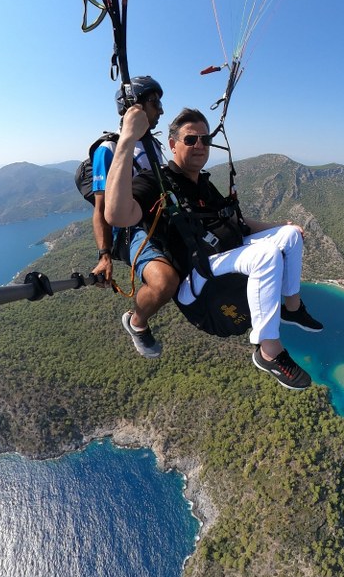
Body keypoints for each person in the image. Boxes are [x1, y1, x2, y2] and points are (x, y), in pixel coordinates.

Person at [103, 105, 323, 389]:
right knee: (266, 255)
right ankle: (269, 351)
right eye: (190, 139)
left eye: (205, 139)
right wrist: (127, 139)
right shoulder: (155, 182)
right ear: (172, 145)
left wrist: (279, 227)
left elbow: (236, 223)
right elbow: (117, 215)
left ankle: (292, 308)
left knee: (291, 235)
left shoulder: (203, 184)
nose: (200, 145)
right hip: (195, 275)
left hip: (221, 255)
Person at [91, 75, 180, 359]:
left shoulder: (153, 146)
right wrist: (104, 255)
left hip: (158, 220)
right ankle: (137, 322)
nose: (161, 110)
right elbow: (101, 208)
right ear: (134, 106)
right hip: (130, 229)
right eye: (154, 102)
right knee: (164, 282)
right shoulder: (109, 149)